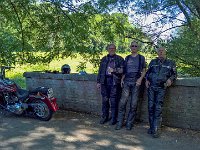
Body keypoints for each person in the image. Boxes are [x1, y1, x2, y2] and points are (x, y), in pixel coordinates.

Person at [145, 47, 177, 138]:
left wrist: (170, 80)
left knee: (158, 108)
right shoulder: (153, 62)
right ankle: (151, 127)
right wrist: (146, 80)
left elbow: (174, 74)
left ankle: (156, 129)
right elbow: (147, 73)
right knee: (150, 107)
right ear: (157, 52)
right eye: (159, 51)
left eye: (162, 51)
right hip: (151, 87)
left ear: (165, 52)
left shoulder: (171, 63)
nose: (161, 52)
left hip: (161, 87)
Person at [115, 41, 146, 130]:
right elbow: (124, 70)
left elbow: (144, 70)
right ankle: (120, 122)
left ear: (138, 47)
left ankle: (129, 123)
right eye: (132, 46)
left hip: (136, 81)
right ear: (130, 47)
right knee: (122, 102)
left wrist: (140, 79)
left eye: (136, 46)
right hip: (127, 81)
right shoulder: (127, 58)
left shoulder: (141, 58)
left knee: (133, 104)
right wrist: (122, 79)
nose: (134, 47)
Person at [97, 43, 124, 125]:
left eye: (113, 48)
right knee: (105, 100)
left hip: (114, 82)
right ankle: (105, 117)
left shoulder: (119, 59)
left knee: (114, 101)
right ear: (107, 49)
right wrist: (98, 82)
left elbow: (122, 70)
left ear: (115, 49)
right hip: (104, 82)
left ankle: (113, 118)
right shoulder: (104, 59)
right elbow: (100, 71)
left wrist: (114, 70)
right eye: (110, 48)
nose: (111, 49)